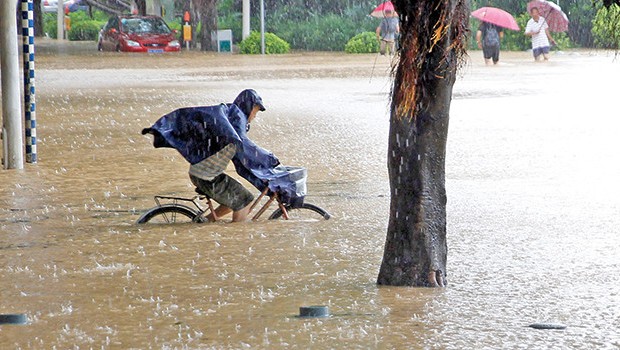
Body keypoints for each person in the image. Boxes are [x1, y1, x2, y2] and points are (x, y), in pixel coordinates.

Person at [188, 89, 273, 222]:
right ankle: (238, 238)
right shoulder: (237, 119)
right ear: (249, 106)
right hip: (206, 175)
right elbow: (244, 145)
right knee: (245, 201)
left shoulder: (234, 116)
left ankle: (203, 223)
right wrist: (268, 159)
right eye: (256, 110)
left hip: (203, 172)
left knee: (233, 200)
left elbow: (240, 157)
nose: (256, 115)